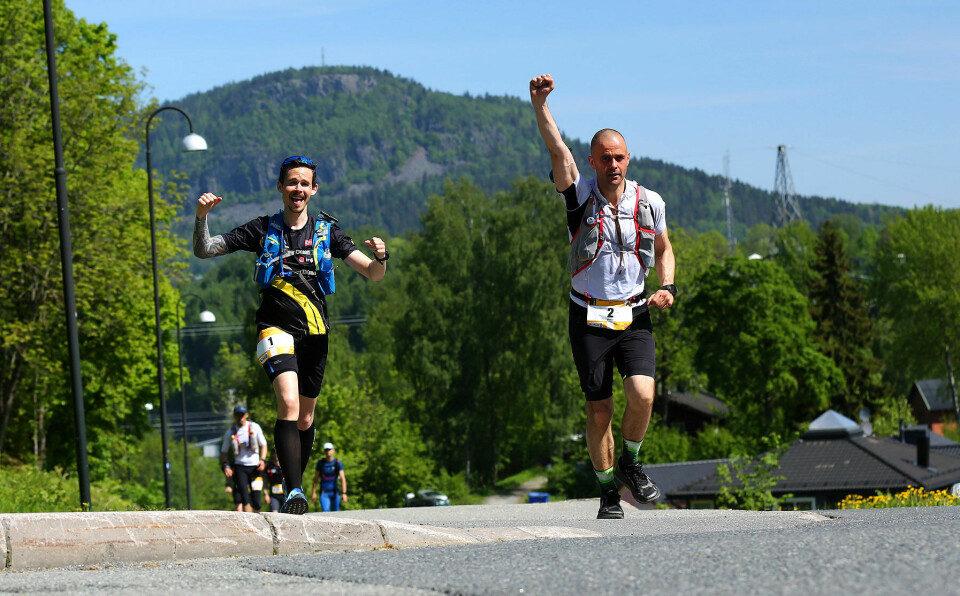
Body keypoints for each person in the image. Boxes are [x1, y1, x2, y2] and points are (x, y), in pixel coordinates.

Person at [195, 155, 389, 515]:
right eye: (291, 182)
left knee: (305, 419)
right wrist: (201, 217)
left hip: (316, 333)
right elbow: (205, 250)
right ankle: (294, 489)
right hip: (275, 328)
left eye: (304, 183)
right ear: (281, 187)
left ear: (313, 190)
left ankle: (295, 483)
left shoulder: (327, 233)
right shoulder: (262, 228)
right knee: (288, 403)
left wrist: (381, 257)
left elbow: (373, 274)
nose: (297, 189)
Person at [529, 74, 677, 519]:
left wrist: (667, 287)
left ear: (628, 159)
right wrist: (540, 105)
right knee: (599, 412)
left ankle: (631, 460)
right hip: (589, 317)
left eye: (620, 158)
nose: (614, 165)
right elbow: (558, 150)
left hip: (635, 313)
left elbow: (666, 250)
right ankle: (608, 491)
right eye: (605, 158)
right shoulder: (579, 196)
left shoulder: (650, 202)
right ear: (593, 161)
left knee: (643, 396)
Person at [220, 404, 268, 513]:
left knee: (256, 500)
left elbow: (263, 445)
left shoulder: (255, 427)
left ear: (246, 415)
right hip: (240, 467)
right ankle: (249, 524)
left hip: (255, 467)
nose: (240, 417)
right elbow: (223, 452)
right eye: (237, 415)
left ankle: (257, 519)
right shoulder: (230, 432)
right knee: (245, 497)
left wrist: (263, 460)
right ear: (234, 416)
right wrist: (225, 465)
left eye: (242, 415)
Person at [311, 442, 348, 511]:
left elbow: (343, 479)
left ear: (333, 450)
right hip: (324, 493)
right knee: (325, 512)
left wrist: (344, 493)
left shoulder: (337, 463)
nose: (328, 451)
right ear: (324, 451)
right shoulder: (321, 463)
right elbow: (316, 479)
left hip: (335, 493)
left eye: (329, 449)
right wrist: (314, 493)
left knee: (336, 513)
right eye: (326, 450)